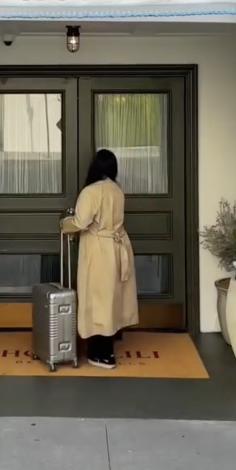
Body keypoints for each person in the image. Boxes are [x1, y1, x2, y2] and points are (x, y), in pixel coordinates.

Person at [61, 149, 139, 369]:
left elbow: (80, 222)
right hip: (118, 246)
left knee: (96, 299)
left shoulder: (91, 192)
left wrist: (63, 224)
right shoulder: (117, 190)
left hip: (99, 250)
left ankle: (102, 354)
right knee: (112, 297)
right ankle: (108, 346)